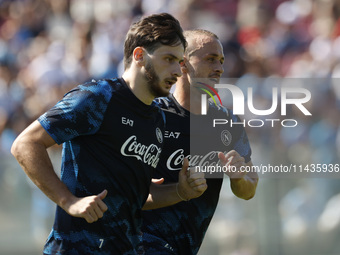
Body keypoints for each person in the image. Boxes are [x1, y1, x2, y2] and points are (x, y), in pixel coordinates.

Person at [11, 13, 190, 255]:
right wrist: (69, 201)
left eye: (179, 61)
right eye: (168, 58)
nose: (177, 71)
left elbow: (134, 198)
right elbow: (25, 144)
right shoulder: (98, 97)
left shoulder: (157, 118)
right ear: (139, 55)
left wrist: (181, 191)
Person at [141, 29, 259, 255]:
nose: (220, 68)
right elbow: (126, 195)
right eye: (211, 59)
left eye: (222, 61)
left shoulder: (228, 121)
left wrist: (238, 178)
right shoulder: (151, 116)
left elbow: (249, 188)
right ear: (182, 63)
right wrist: (179, 190)